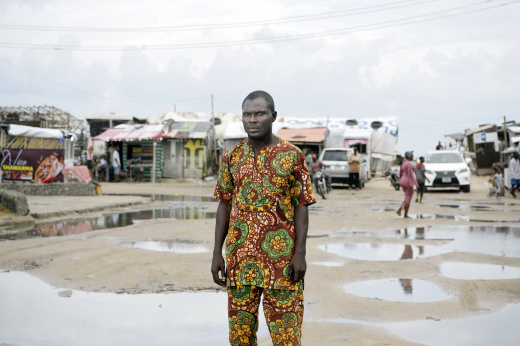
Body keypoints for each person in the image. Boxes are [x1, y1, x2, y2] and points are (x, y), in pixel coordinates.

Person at [211, 90, 316, 345]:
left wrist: (300, 252)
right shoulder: (232, 156)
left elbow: (302, 205)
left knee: (287, 339)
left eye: (259, 113)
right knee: (240, 339)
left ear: (273, 116)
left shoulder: (293, 155)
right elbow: (224, 203)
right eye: (247, 114)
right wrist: (217, 252)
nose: (252, 119)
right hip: (239, 263)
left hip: (282, 265)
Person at [396, 151, 419, 218]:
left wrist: (400, 181)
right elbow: (411, 175)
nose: (413, 157)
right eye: (412, 155)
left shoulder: (403, 163)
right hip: (407, 181)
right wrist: (416, 184)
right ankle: (405, 214)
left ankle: (399, 210)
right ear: (409, 156)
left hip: (403, 180)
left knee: (407, 197)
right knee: (408, 198)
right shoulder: (408, 164)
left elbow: (400, 173)